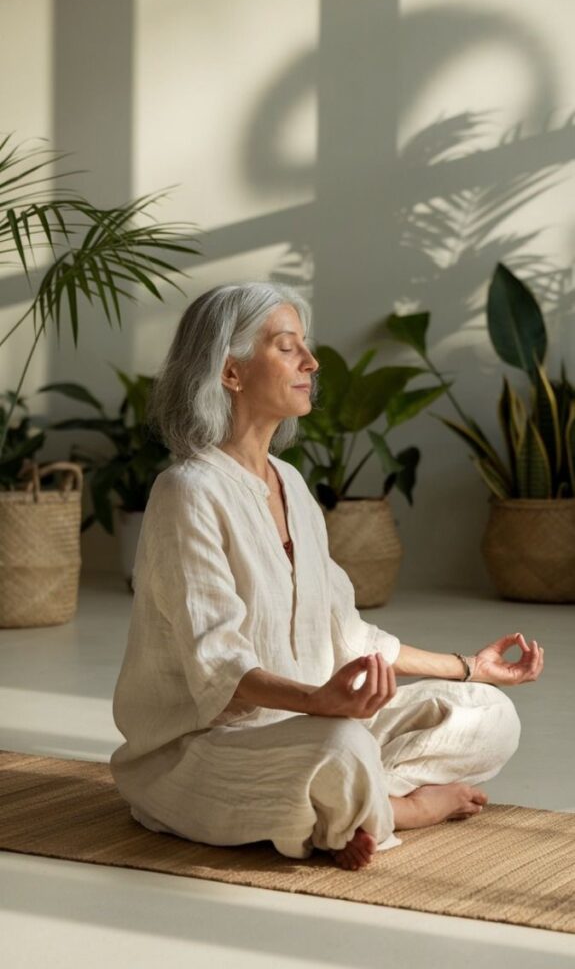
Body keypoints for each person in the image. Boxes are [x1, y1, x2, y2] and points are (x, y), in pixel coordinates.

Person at [110, 282, 544, 872]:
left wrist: (469, 666)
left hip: (311, 726)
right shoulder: (187, 491)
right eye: (288, 348)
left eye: (304, 348)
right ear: (230, 373)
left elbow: (347, 632)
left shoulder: (291, 486)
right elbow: (217, 665)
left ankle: (350, 806)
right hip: (201, 753)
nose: (311, 363)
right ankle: (403, 809)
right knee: (340, 745)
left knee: (487, 714)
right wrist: (320, 703)